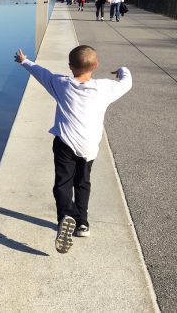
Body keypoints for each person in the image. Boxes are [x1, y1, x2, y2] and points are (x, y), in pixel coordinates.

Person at [14, 45, 132, 253]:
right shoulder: (105, 88)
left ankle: (65, 217)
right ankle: (83, 223)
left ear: (70, 67)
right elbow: (126, 83)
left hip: (65, 144)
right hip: (88, 146)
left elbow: (42, 74)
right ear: (96, 66)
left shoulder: (61, 84)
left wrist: (25, 61)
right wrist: (122, 69)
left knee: (63, 183)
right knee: (83, 182)